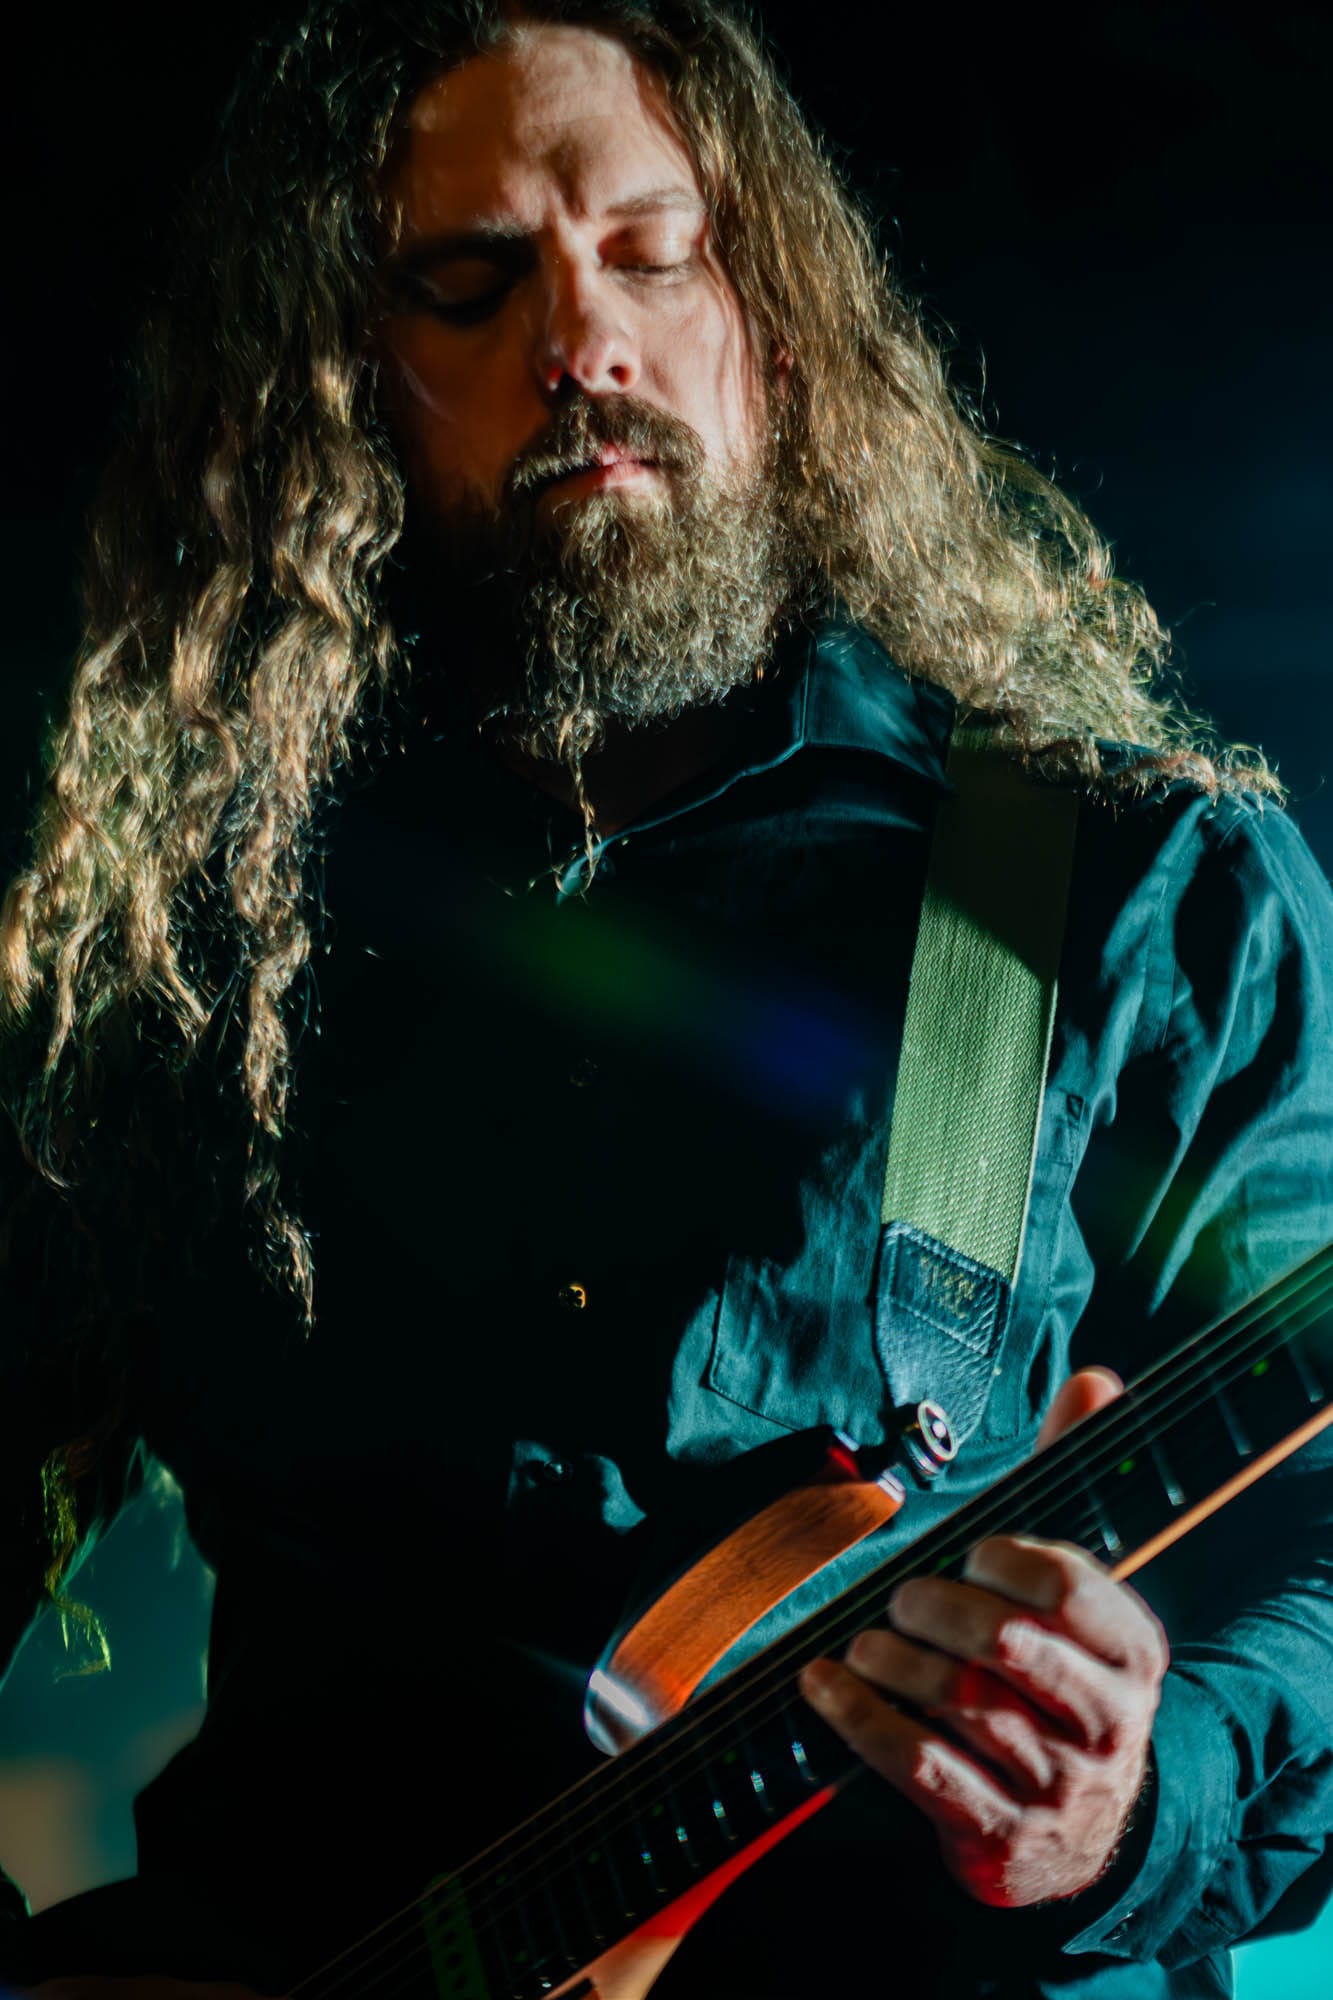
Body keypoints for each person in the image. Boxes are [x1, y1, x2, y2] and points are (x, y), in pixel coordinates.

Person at [2, 3, 1331, 1995]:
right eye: (470, 285)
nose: (582, 343)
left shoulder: (1136, 887)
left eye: (655, 253)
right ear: (340, 393)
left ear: (776, 330)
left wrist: (1132, 1804)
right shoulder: (174, 936)